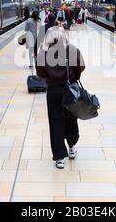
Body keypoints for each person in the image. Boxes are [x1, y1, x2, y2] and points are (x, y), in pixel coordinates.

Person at [36, 27, 85, 169]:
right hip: (70, 90)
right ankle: (72, 148)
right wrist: (73, 78)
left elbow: (40, 73)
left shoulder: (43, 53)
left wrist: (51, 79)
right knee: (71, 118)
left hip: (53, 92)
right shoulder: (72, 50)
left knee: (56, 122)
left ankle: (59, 158)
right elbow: (81, 66)